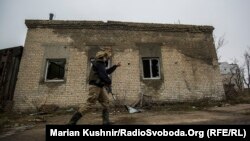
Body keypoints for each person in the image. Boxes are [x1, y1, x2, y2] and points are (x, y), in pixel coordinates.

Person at [67, 47, 121, 125]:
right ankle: (72, 122)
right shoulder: (99, 63)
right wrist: (109, 82)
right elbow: (103, 75)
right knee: (90, 104)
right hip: (95, 86)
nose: (108, 59)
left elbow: (105, 72)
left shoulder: (100, 64)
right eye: (108, 57)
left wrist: (115, 66)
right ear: (104, 56)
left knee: (106, 102)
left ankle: (106, 122)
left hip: (99, 86)